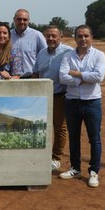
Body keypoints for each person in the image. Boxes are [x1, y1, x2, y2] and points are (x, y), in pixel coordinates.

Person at [59, 25, 105, 188]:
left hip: (92, 101)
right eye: (80, 36)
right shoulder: (68, 56)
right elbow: (62, 77)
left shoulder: (99, 55)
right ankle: (75, 168)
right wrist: (85, 77)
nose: (83, 39)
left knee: (95, 138)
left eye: (86, 36)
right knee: (74, 137)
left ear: (91, 37)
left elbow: (99, 76)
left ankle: (94, 171)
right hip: (72, 101)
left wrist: (76, 74)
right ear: (75, 38)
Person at [33, 26, 73, 171]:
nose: (51, 39)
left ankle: (56, 158)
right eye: (48, 36)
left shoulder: (68, 52)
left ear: (60, 37)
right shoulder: (41, 53)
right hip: (42, 96)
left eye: (54, 36)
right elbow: (36, 73)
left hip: (59, 96)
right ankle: (41, 154)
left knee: (59, 128)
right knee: (40, 126)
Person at [10, 9, 47, 78]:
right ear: (14, 19)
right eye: (19, 19)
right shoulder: (8, 35)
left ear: (29, 20)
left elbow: (45, 56)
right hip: (11, 78)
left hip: (31, 78)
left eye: (25, 19)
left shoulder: (37, 35)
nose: (22, 22)